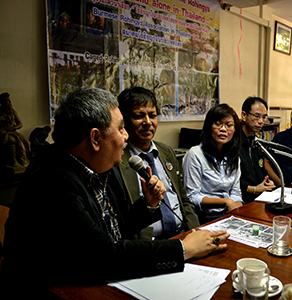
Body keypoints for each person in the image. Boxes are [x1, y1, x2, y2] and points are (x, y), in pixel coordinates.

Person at [0, 88, 229, 295]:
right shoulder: (52, 180)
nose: (126, 136)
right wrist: (183, 248)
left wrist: (148, 204)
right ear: (96, 138)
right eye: (121, 128)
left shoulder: (99, 166)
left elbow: (119, 225)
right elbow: (103, 255)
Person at [117, 87, 199, 239]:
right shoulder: (118, 160)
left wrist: (195, 231)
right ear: (124, 120)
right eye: (139, 116)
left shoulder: (166, 152)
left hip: (184, 234)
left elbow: (183, 199)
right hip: (150, 243)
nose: (148, 122)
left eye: (153, 116)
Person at [183, 104, 244, 224]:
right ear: (209, 127)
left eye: (229, 125)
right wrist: (226, 202)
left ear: (235, 129)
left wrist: (238, 208)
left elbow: (236, 192)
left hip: (230, 214)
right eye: (218, 124)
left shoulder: (234, 156)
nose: (223, 129)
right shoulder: (195, 154)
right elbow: (192, 196)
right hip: (205, 217)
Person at [239, 97, 276, 203]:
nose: (260, 121)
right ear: (244, 116)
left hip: (262, 196)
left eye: (264, 117)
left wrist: (268, 182)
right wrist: (254, 189)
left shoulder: (256, 142)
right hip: (243, 198)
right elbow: (228, 179)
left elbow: (261, 170)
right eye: (256, 116)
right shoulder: (233, 142)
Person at [0, 92, 31, 168]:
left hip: (13, 131)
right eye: (5, 101)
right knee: (12, 140)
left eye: (9, 101)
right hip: (3, 132)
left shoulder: (12, 112)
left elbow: (20, 123)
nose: (8, 103)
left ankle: (23, 160)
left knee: (26, 141)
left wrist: (14, 127)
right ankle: (12, 162)